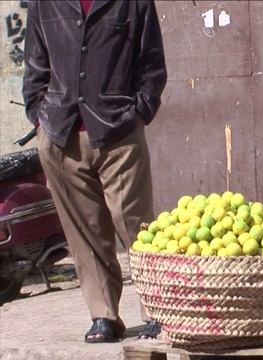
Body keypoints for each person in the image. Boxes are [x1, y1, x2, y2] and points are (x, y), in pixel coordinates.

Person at [22, 0, 167, 343]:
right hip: (61, 132)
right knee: (84, 233)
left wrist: (139, 114)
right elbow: (35, 63)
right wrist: (40, 119)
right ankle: (103, 316)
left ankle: (158, 311)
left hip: (118, 131)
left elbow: (152, 63)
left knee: (137, 225)